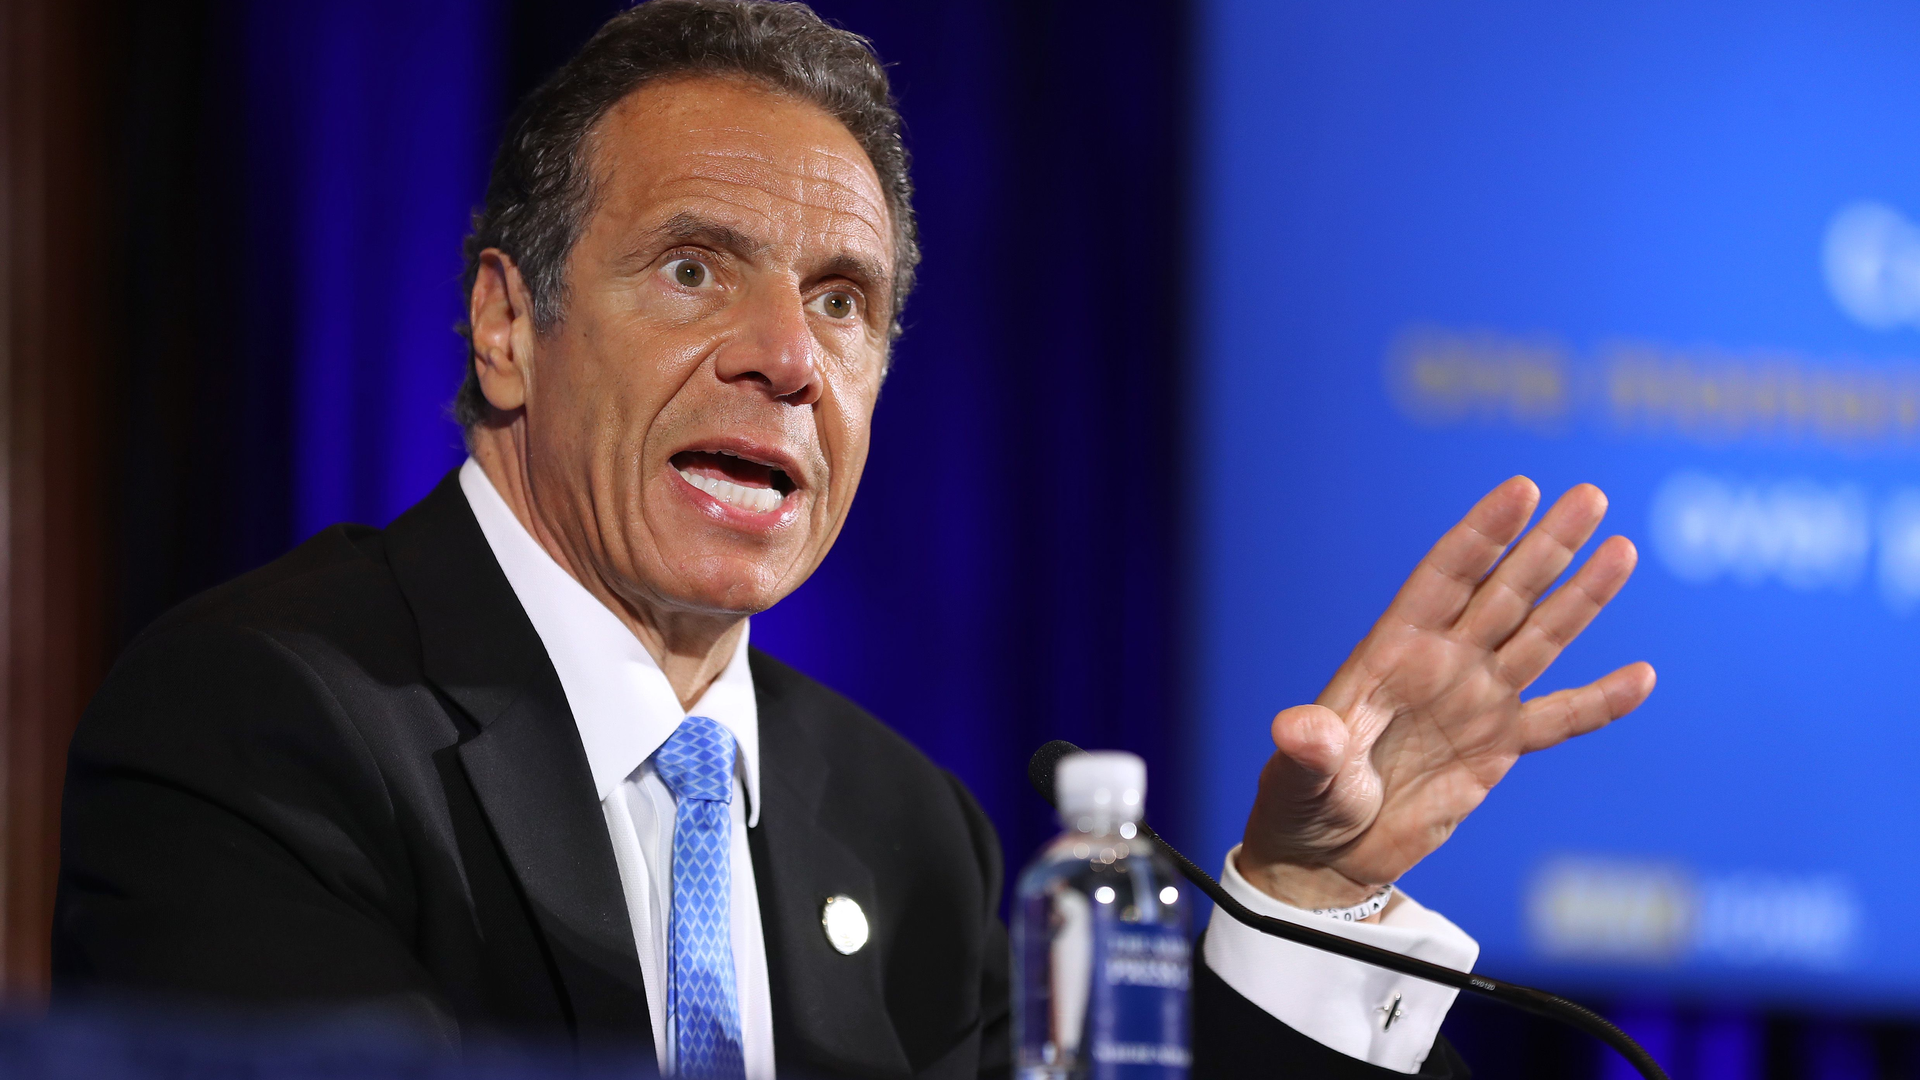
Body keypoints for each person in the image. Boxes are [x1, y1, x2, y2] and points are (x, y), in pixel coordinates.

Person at [52, 2, 1656, 1077]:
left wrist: (1299, 900)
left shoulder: (911, 835)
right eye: (695, 268)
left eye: (844, 302)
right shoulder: (262, 725)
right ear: (506, 326)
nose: (787, 358)